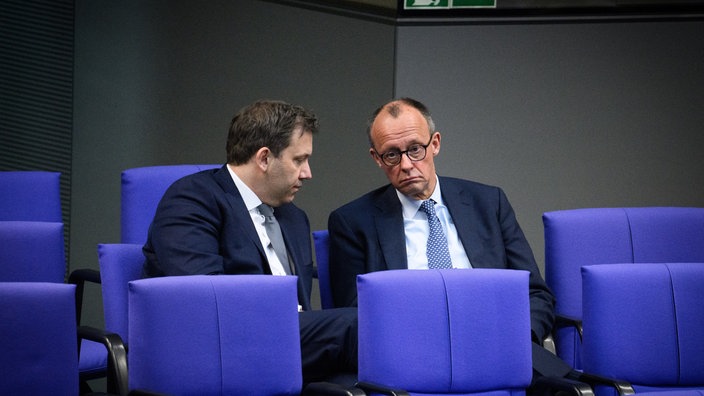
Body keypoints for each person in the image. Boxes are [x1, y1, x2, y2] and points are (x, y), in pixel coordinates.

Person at [327, 97, 575, 387]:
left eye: (415, 149)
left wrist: (517, 338)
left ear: (435, 144)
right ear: (376, 158)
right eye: (392, 155)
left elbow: (535, 294)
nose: (406, 165)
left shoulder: (488, 203)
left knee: (578, 390)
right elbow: (358, 315)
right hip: (412, 357)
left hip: (499, 347)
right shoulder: (352, 221)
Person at [142, 99, 357, 384]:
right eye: (299, 159)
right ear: (265, 158)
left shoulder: (293, 217)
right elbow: (206, 298)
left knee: (360, 378)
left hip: (287, 346)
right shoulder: (193, 199)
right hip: (221, 345)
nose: (307, 173)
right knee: (361, 325)